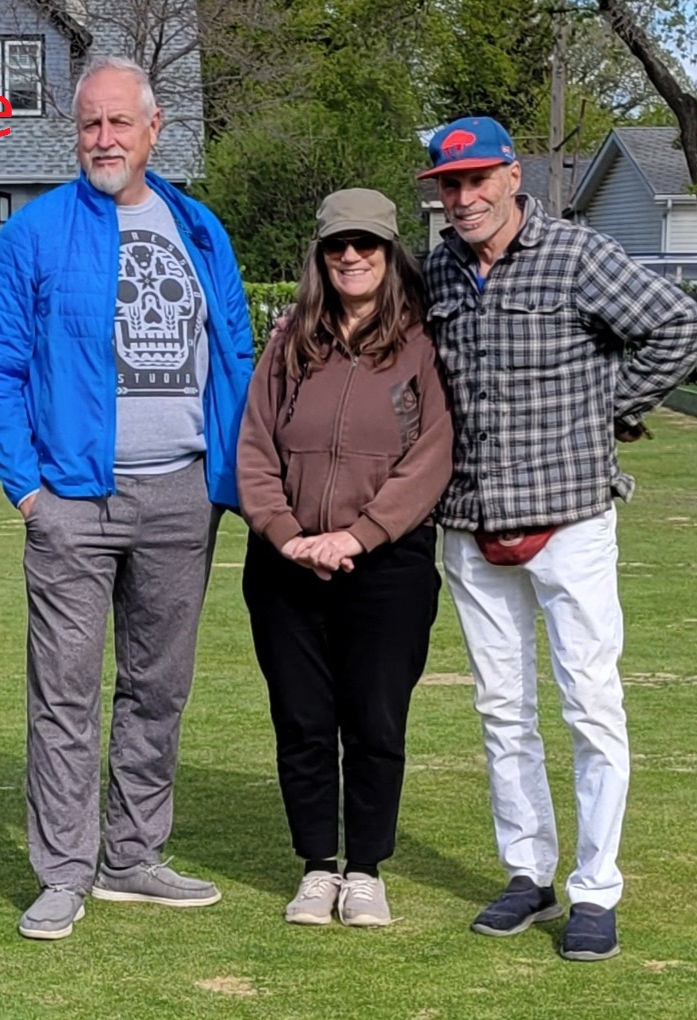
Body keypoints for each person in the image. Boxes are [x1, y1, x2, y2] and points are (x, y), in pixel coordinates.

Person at [0, 56, 255, 941]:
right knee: (63, 695)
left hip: (182, 495)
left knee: (157, 688)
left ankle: (132, 856)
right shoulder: (35, 233)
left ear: (152, 129)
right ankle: (63, 872)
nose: (102, 139)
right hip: (72, 502)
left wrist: (226, 479)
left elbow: (235, 354)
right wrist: (29, 493)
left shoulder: (198, 228)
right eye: (89, 123)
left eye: (118, 123)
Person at [420, 117, 697, 961]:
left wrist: (608, 409)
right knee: (500, 708)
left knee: (590, 703)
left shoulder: (578, 253)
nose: (463, 198)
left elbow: (679, 327)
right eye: (449, 184)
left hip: (570, 516)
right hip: (469, 520)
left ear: (513, 176)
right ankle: (527, 872)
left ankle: (595, 887)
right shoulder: (435, 269)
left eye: (477, 179)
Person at [237, 189, 452, 927]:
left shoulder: (422, 343)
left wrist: (358, 535)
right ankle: (316, 868)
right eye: (337, 245)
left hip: (386, 566)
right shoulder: (289, 341)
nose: (351, 257)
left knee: (374, 722)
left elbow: (431, 457)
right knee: (301, 721)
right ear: (319, 255)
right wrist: (283, 531)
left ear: (390, 253)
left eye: (366, 245)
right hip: (286, 564)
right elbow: (255, 443)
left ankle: (365, 870)